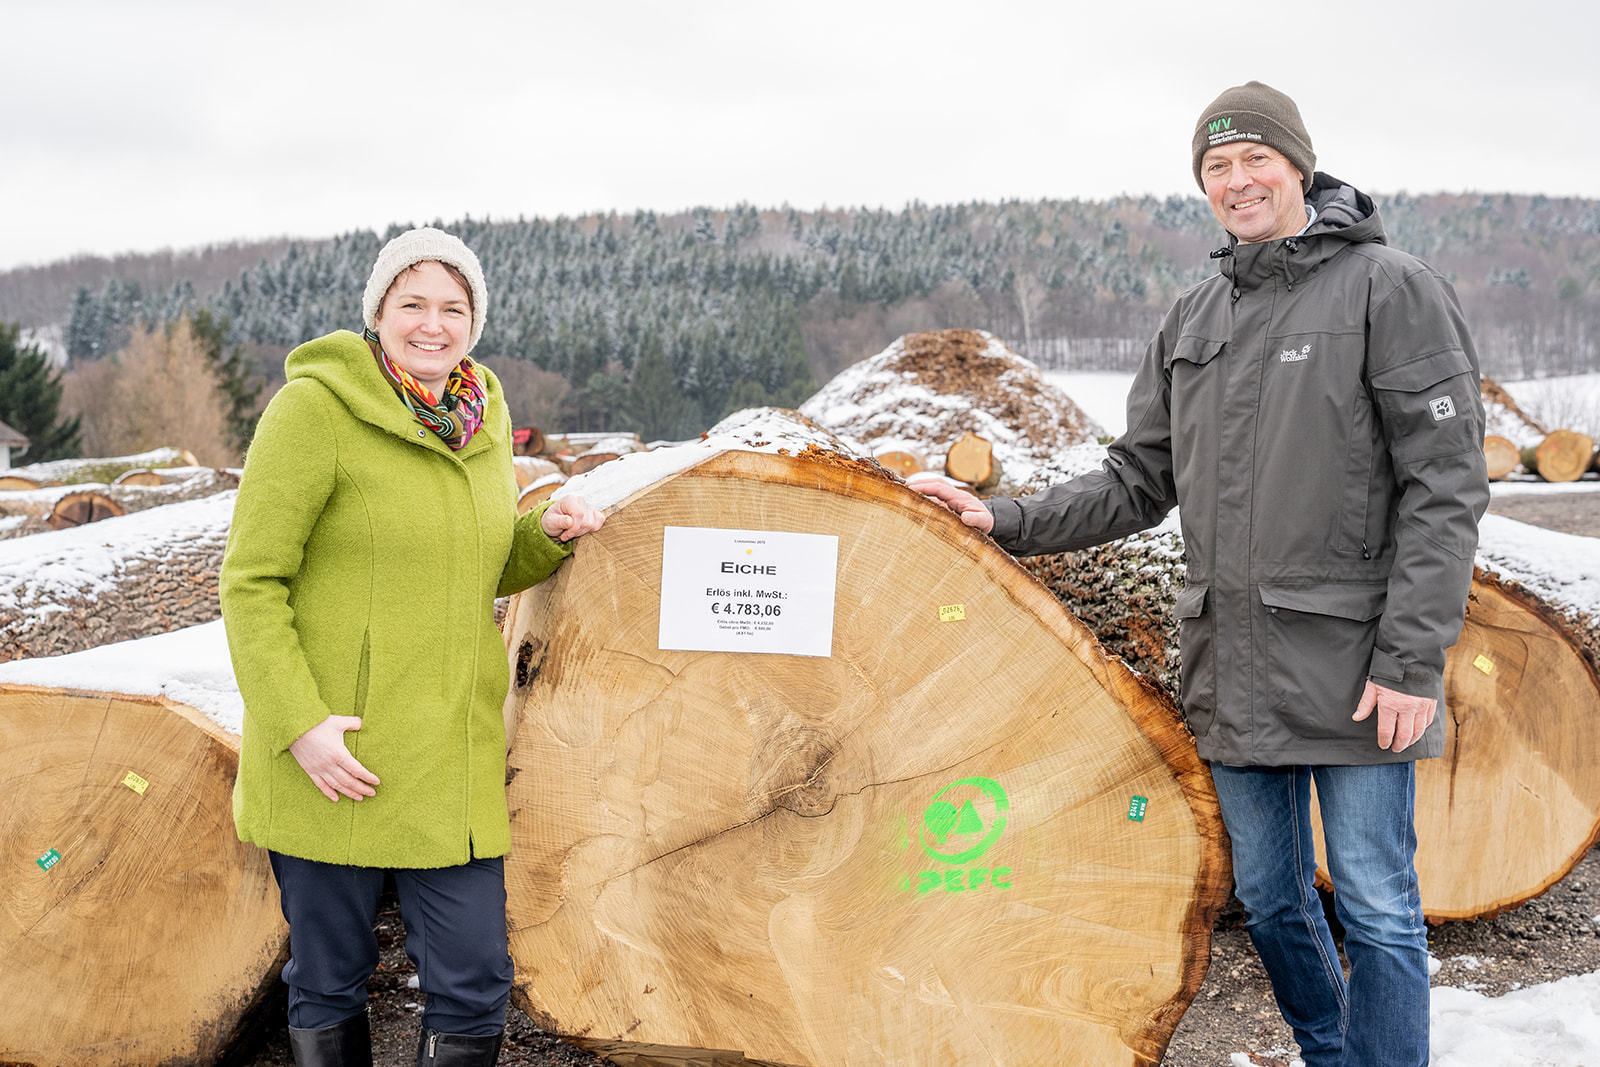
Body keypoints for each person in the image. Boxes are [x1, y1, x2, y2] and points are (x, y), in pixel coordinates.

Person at [910, 82, 1488, 1066]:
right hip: (1233, 660)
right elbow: (1137, 480)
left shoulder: (1388, 288)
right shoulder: (1194, 314)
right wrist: (1001, 517)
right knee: (1267, 896)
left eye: (1253, 158)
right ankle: (1329, 1050)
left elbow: (1445, 485)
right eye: (1215, 167)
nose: (1236, 180)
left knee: (1380, 902)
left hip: (1358, 664)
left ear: (1297, 166)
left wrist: (1410, 656)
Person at [220, 227, 604, 1066]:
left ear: (475, 320)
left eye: (453, 307)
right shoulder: (314, 409)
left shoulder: (484, 417)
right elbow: (250, 582)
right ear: (379, 313)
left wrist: (549, 531)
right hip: (336, 751)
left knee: (473, 979)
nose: (433, 324)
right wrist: (300, 724)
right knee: (330, 975)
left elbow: (485, 560)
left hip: (448, 749)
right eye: (413, 304)